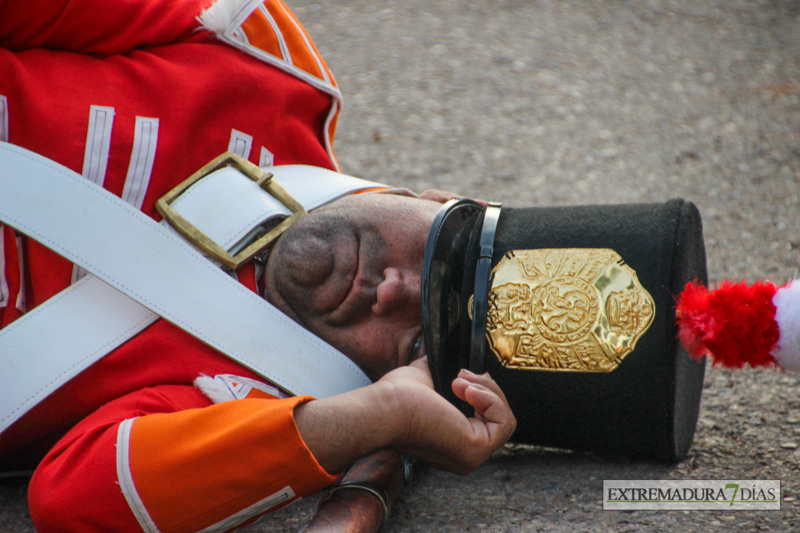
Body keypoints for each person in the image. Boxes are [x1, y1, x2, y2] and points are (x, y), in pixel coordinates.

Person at [0, 0, 516, 531]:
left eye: (415, 345)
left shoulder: (243, 403)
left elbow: (73, 501)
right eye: (437, 259)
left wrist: (380, 415)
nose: (392, 290)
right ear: (430, 199)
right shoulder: (262, 55)